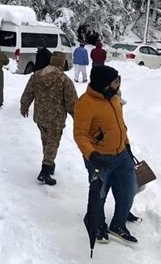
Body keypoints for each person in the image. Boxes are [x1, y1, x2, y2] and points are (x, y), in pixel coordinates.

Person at [73, 66, 138, 244]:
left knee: (128, 192)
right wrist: (92, 155)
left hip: (122, 155)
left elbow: (120, 125)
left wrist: (127, 145)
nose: (118, 84)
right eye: (115, 81)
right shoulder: (85, 103)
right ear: (104, 84)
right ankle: (98, 224)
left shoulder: (114, 98)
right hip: (99, 157)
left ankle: (117, 225)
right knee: (99, 195)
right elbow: (80, 134)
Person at [20, 52, 78, 185]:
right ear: (62, 63)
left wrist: (24, 106)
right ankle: (45, 171)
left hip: (40, 116)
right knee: (53, 143)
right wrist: (78, 118)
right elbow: (72, 102)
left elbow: (28, 92)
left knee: (46, 140)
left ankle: (49, 163)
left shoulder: (36, 75)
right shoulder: (64, 80)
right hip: (56, 119)